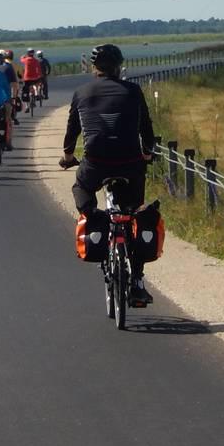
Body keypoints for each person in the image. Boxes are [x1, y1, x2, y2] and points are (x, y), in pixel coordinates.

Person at [58, 43, 157, 306]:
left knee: (82, 188)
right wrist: (147, 153)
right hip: (130, 164)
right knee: (134, 214)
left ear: (94, 68)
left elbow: (72, 132)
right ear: (119, 67)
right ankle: (136, 280)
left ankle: (95, 217)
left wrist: (68, 157)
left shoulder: (81, 92)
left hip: (96, 163)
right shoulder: (133, 91)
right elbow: (145, 129)